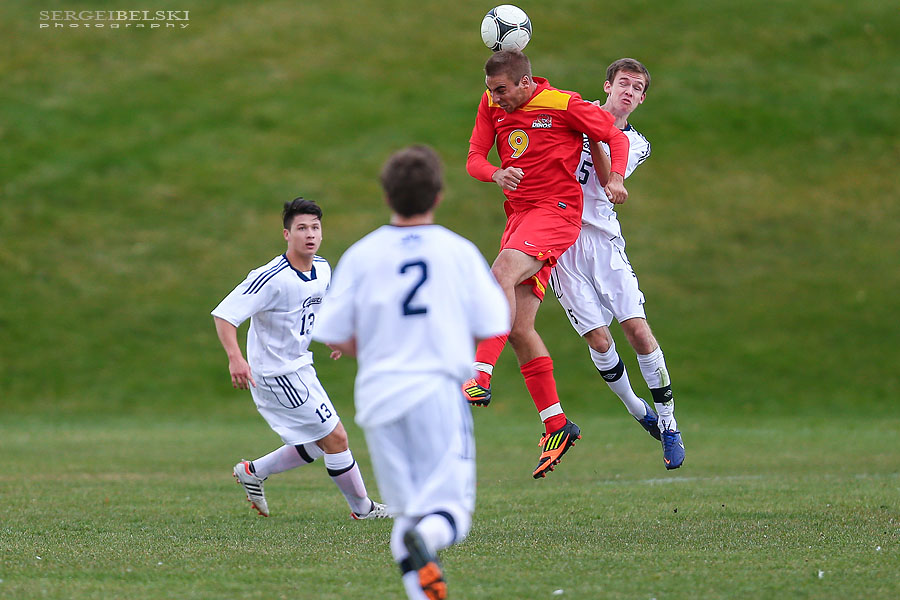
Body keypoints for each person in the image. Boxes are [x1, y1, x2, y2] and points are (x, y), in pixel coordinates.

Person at [313, 146, 509, 600]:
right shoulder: (456, 251)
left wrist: (378, 342)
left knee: (407, 517)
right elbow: (494, 321)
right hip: (436, 393)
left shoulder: (363, 255)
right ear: (438, 196)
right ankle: (431, 540)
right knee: (450, 514)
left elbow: (336, 335)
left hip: (379, 397)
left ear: (387, 196)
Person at [462, 50, 631, 479]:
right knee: (519, 328)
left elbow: (617, 137)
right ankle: (556, 424)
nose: (495, 99)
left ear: (524, 83)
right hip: (518, 218)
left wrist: (616, 177)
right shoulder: (490, 103)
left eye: (502, 90)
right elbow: (475, 158)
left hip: (556, 213)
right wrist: (495, 174)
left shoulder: (563, 103)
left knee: (499, 273)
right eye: (491, 90)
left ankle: (479, 373)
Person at [211, 198, 388, 519]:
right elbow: (224, 315)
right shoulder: (270, 277)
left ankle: (253, 471)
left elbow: (315, 311)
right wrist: (235, 359)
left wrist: (333, 338)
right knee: (335, 438)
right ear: (286, 234)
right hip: (275, 374)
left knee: (317, 441)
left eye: (315, 228)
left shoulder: (322, 268)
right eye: (302, 228)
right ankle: (363, 510)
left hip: (301, 367)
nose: (310, 234)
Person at [550, 58, 685, 469]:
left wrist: (595, 142)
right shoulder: (576, 114)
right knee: (599, 340)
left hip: (603, 241)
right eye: (622, 83)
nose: (628, 90)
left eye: (636, 87)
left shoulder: (638, 143)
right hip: (561, 240)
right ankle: (636, 408)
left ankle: (669, 423)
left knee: (637, 331)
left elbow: (610, 181)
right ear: (606, 87)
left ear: (641, 99)